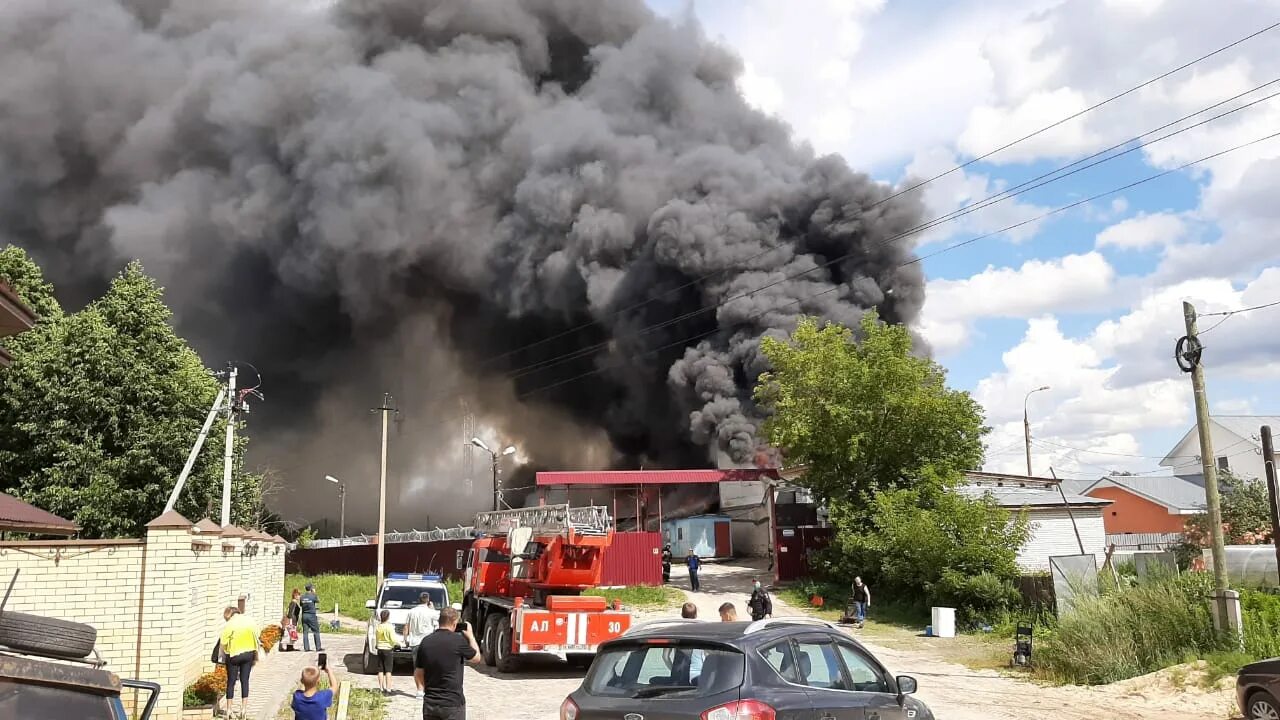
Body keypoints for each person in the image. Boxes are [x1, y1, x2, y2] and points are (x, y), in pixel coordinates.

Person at [415, 606, 482, 720]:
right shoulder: (458, 640)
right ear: (455, 623)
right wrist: (471, 637)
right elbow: (476, 658)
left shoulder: (426, 641)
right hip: (452, 703)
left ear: (439, 621)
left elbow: (418, 672)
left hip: (431, 703)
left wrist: (425, 690)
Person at [220, 605, 260, 720]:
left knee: (231, 681)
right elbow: (257, 634)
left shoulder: (230, 624)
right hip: (248, 653)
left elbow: (223, 641)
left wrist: (225, 653)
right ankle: (244, 710)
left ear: (230, 616)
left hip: (234, 654)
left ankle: (229, 710)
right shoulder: (249, 620)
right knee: (245, 680)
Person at [407, 593, 440, 700]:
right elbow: (441, 619)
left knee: (417, 667)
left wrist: (405, 639)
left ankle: (419, 690)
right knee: (429, 667)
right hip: (428, 642)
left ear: (419, 600)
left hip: (415, 642)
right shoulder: (431, 612)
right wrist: (433, 608)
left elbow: (406, 626)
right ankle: (428, 689)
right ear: (428, 600)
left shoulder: (412, 611)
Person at [375, 609, 400, 696]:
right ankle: (388, 689)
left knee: (380, 669)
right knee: (388, 670)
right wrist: (397, 644)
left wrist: (377, 645)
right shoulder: (389, 627)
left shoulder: (378, 626)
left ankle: (381, 688)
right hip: (388, 649)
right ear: (388, 617)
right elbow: (392, 639)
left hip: (380, 649)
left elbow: (377, 638)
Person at [300, 583, 323, 652]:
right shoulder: (313, 596)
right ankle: (318, 647)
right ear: (311, 588)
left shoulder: (302, 597)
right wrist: (314, 593)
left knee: (305, 632)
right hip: (311, 615)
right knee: (316, 631)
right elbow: (318, 601)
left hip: (304, 615)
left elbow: (301, 605)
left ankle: (306, 648)